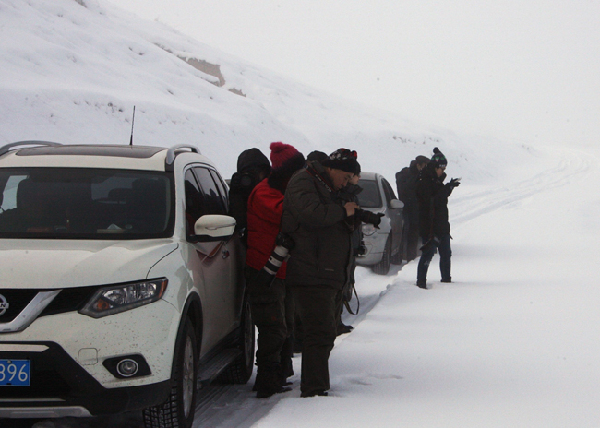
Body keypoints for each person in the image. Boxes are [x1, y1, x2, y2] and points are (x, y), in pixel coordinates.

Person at [282, 148, 359, 398]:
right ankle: (314, 391)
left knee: (324, 332)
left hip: (325, 272)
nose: (345, 183)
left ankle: (317, 386)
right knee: (318, 332)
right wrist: (343, 211)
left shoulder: (325, 185)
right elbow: (312, 214)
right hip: (310, 271)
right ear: (333, 169)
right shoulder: (304, 180)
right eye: (345, 177)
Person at [245, 142, 306, 398]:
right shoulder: (265, 194)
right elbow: (288, 216)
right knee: (273, 328)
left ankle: (278, 375)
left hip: (280, 270)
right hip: (264, 272)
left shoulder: (277, 190)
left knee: (285, 325)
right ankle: (267, 380)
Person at [415, 147, 460, 289]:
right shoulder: (424, 180)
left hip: (441, 224)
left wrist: (448, 187)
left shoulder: (435, 180)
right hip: (430, 225)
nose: (443, 171)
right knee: (428, 254)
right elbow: (433, 200)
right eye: (442, 168)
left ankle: (446, 280)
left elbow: (439, 197)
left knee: (446, 254)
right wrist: (447, 188)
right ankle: (421, 282)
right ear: (436, 167)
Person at [229, 148, 271, 244]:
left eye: (259, 173)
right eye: (249, 174)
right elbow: (238, 221)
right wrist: (235, 194)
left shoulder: (273, 188)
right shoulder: (240, 189)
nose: (253, 178)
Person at [396, 155, 430, 262]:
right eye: (424, 166)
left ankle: (410, 257)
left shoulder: (419, 175)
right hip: (406, 208)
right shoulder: (406, 174)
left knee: (413, 233)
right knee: (404, 233)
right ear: (418, 165)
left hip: (416, 209)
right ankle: (400, 257)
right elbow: (406, 189)